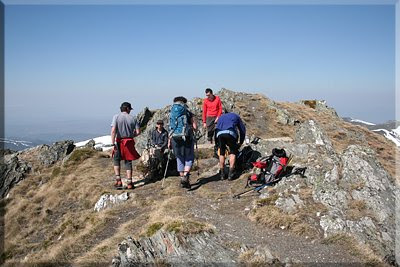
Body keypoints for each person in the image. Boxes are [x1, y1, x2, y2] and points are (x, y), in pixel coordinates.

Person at [168, 96, 197, 188]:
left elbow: (171, 127)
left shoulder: (171, 112)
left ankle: (182, 179)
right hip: (187, 137)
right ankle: (185, 176)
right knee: (189, 158)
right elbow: (195, 127)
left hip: (174, 138)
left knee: (179, 158)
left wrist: (169, 141)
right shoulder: (188, 112)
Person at [111, 102, 141, 189]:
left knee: (116, 160)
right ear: (127, 109)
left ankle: (118, 180)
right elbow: (138, 132)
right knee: (128, 161)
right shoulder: (133, 118)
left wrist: (113, 143)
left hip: (119, 141)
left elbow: (113, 131)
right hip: (129, 141)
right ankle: (129, 183)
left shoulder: (116, 117)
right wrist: (132, 135)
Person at [215, 112, 246, 180]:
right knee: (233, 152)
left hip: (219, 134)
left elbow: (216, 129)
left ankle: (222, 174)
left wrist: (217, 144)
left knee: (222, 153)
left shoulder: (221, 117)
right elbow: (242, 130)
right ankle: (231, 173)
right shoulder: (236, 116)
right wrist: (240, 142)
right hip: (230, 133)